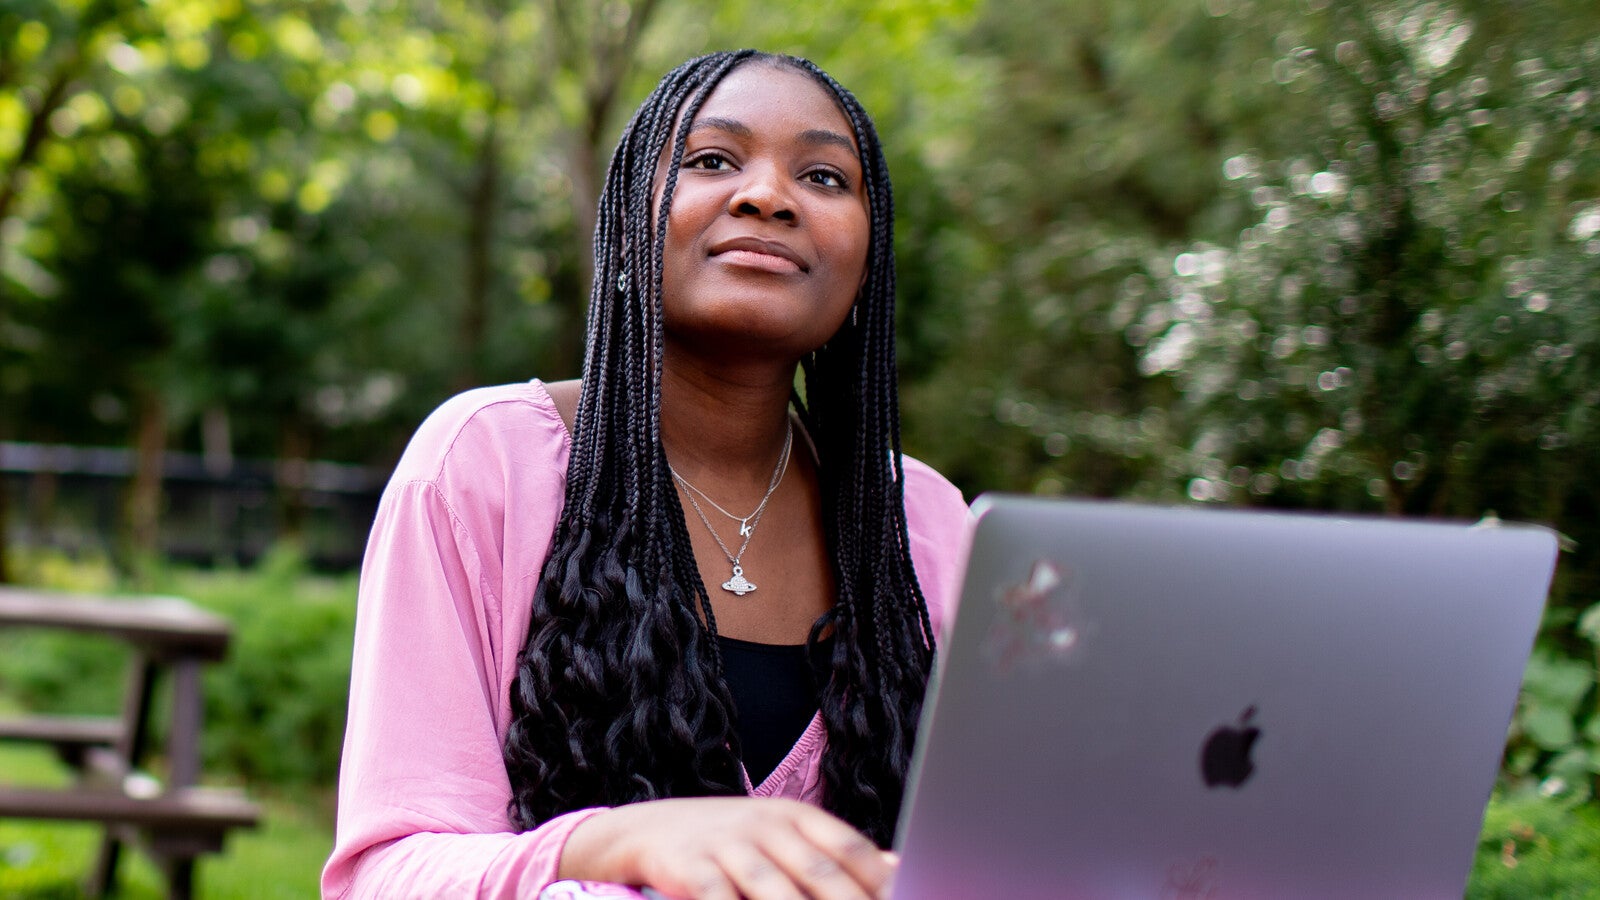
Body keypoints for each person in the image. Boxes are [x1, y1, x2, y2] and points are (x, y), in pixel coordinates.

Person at [322, 50, 970, 900]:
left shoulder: (924, 521)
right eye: (710, 160)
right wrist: (614, 844)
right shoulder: (486, 465)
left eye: (822, 176)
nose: (768, 196)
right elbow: (388, 873)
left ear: (867, 255)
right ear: (630, 219)